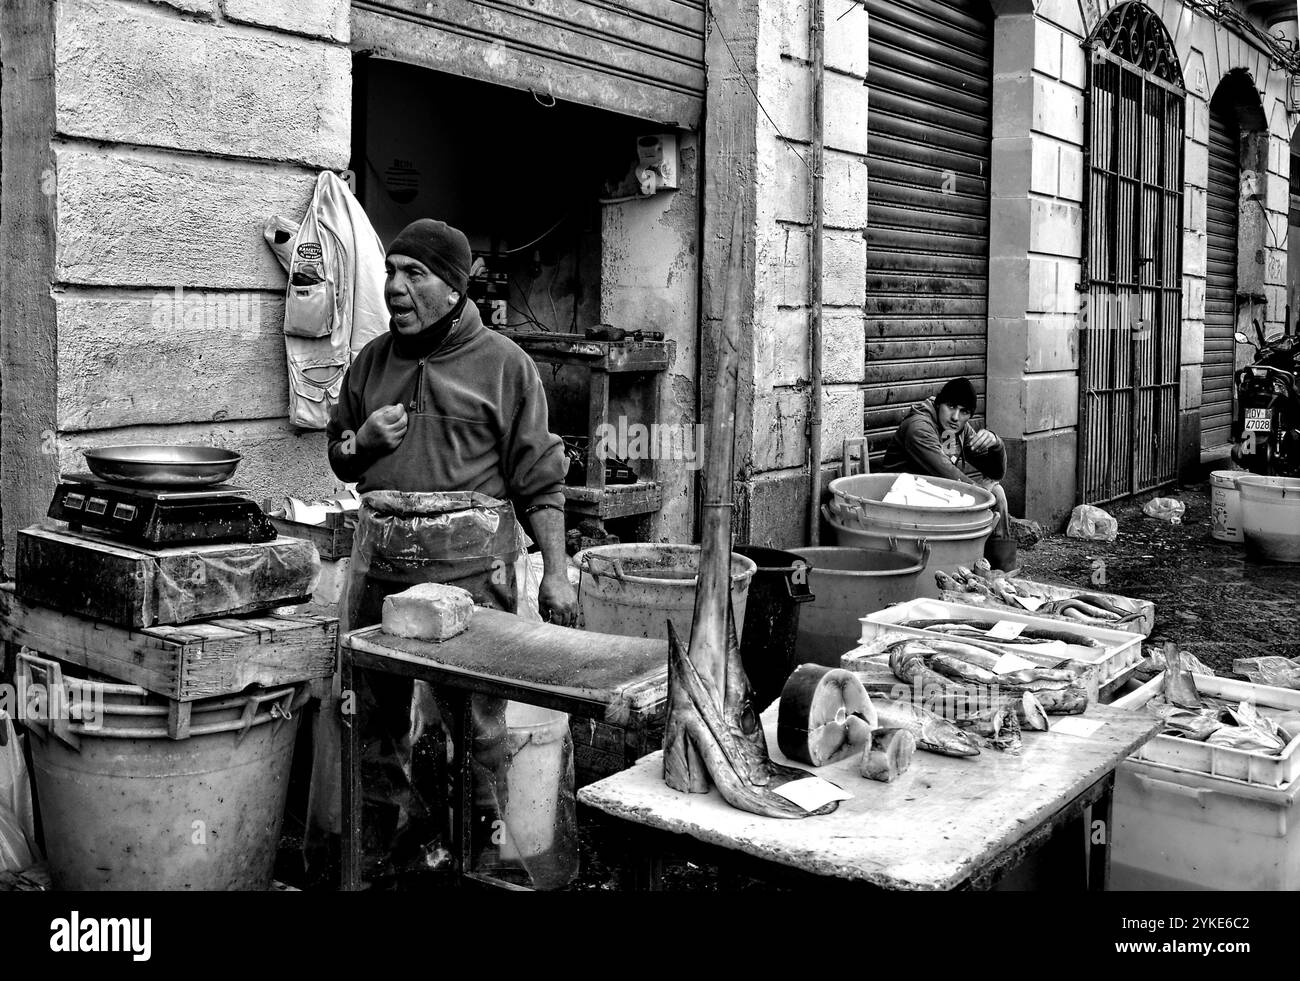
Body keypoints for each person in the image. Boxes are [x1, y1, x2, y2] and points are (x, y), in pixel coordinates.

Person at [326, 217, 577, 625]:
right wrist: (364, 442)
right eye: (391, 270)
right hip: (380, 577)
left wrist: (556, 574)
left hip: (474, 583)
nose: (393, 286)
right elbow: (341, 453)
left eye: (413, 273)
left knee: (465, 686)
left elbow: (540, 484)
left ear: (452, 290)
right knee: (377, 683)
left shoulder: (505, 365)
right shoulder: (371, 361)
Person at [880, 377, 1011, 541]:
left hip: (934, 494)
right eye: (951, 407)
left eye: (964, 411)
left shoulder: (957, 429)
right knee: (986, 497)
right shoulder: (919, 428)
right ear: (938, 404)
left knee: (997, 492)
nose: (955, 417)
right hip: (901, 502)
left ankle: (997, 564)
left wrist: (996, 444)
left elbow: (995, 473)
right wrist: (981, 493)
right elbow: (947, 474)